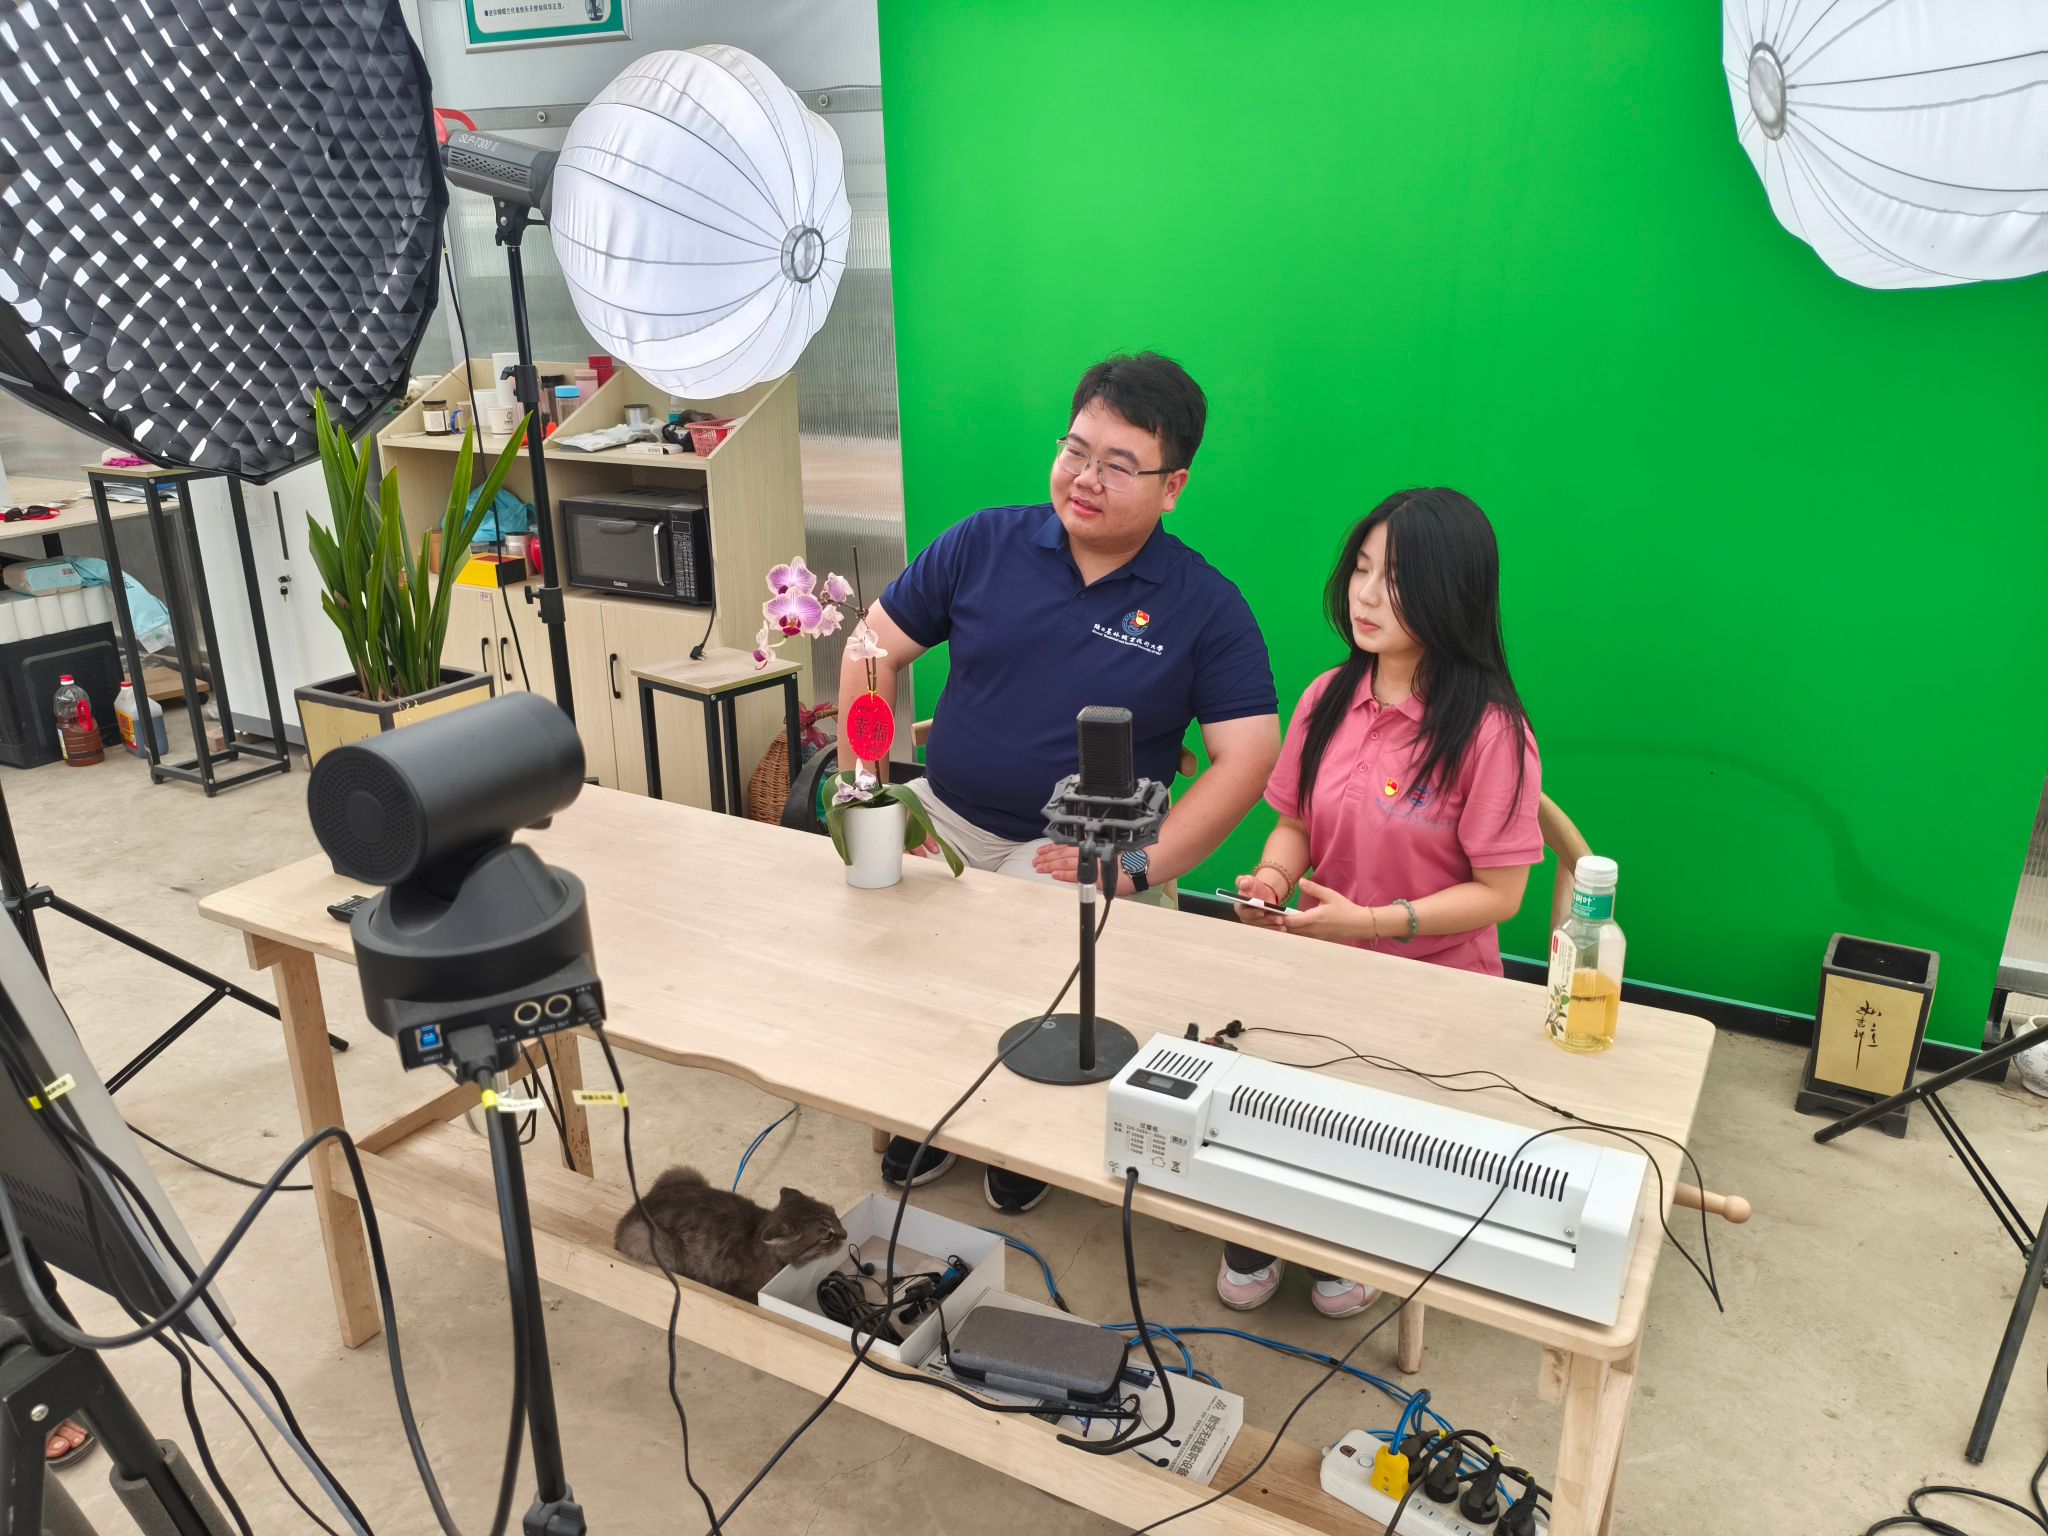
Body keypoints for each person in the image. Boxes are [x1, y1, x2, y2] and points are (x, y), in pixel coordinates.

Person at [841, 352, 1281, 1213]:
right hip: (946, 812)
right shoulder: (983, 543)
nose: (1085, 478)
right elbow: (871, 648)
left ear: (1172, 487)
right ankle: (921, 1100)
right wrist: (871, 785)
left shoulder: (1206, 605)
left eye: (1118, 465)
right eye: (1076, 450)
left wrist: (1137, 865)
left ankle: (1025, 1129)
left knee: (1033, 933)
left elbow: (1249, 757)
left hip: (1084, 841)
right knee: (873, 907)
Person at [1219, 487, 1542, 1318]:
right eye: (1361, 569)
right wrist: (1272, 881)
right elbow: (1295, 825)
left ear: (1450, 593)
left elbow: (1502, 895)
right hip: (1318, 961)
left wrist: (1369, 923)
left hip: (1435, 987)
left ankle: (1353, 1230)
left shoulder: (1492, 732)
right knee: (1246, 1085)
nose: (1365, 595)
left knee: (1365, 1129)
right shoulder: (1328, 696)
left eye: (1394, 579)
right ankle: (1272, 1219)